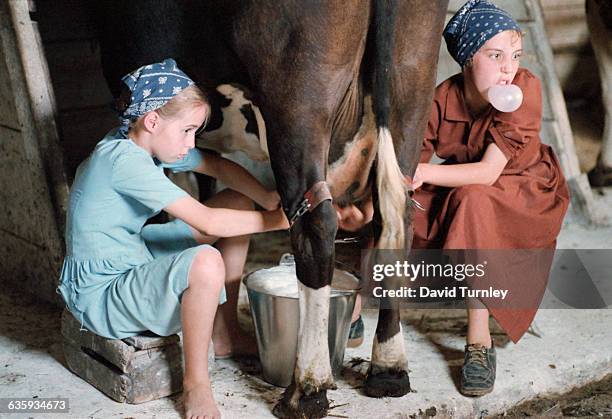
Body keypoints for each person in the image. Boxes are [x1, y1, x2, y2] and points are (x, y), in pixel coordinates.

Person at [334, 0, 569, 397]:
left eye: (514, 55)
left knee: (471, 200)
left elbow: (486, 173)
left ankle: (479, 340)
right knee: (402, 205)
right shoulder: (441, 98)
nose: (509, 67)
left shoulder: (524, 88)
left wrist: (420, 174)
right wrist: (371, 209)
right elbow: (407, 171)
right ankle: (355, 304)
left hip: (524, 189)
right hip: (462, 183)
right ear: (466, 59)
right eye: (495, 56)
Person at [57, 58, 289, 419]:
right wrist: (281, 221)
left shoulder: (141, 141)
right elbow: (208, 219)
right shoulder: (123, 161)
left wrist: (267, 199)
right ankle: (195, 383)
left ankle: (224, 332)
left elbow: (217, 165)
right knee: (206, 262)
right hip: (102, 289)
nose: (190, 142)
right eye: (187, 130)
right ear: (152, 121)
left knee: (239, 203)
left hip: (133, 252)